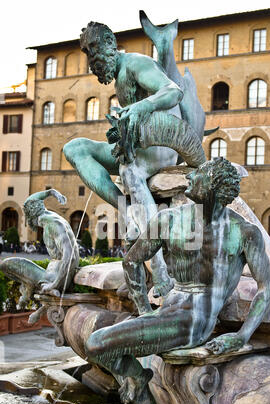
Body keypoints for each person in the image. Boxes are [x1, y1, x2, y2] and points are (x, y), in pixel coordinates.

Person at [85, 157, 270, 404]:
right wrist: (144, 310)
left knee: (97, 343)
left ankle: (139, 384)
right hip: (167, 313)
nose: (190, 178)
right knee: (106, 343)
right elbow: (131, 260)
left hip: (193, 322)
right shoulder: (168, 219)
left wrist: (241, 336)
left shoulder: (243, 232)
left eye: (198, 174)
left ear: (213, 186)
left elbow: (266, 288)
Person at [63, 16, 207, 298]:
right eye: (87, 54)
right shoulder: (119, 78)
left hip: (163, 144)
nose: (91, 60)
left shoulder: (135, 63)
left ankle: (160, 268)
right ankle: (128, 209)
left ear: (110, 43)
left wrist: (142, 107)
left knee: (130, 171)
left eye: (93, 49)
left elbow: (173, 91)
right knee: (75, 148)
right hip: (140, 148)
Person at [0, 189, 79, 323]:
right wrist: (56, 194)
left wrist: (54, 284)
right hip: (54, 273)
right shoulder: (53, 218)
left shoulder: (52, 224)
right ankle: (27, 293)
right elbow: (49, 191)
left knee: (6, 265)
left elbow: (69, 256)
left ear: (30, 215)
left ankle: (26, 294)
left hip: (55, 277)